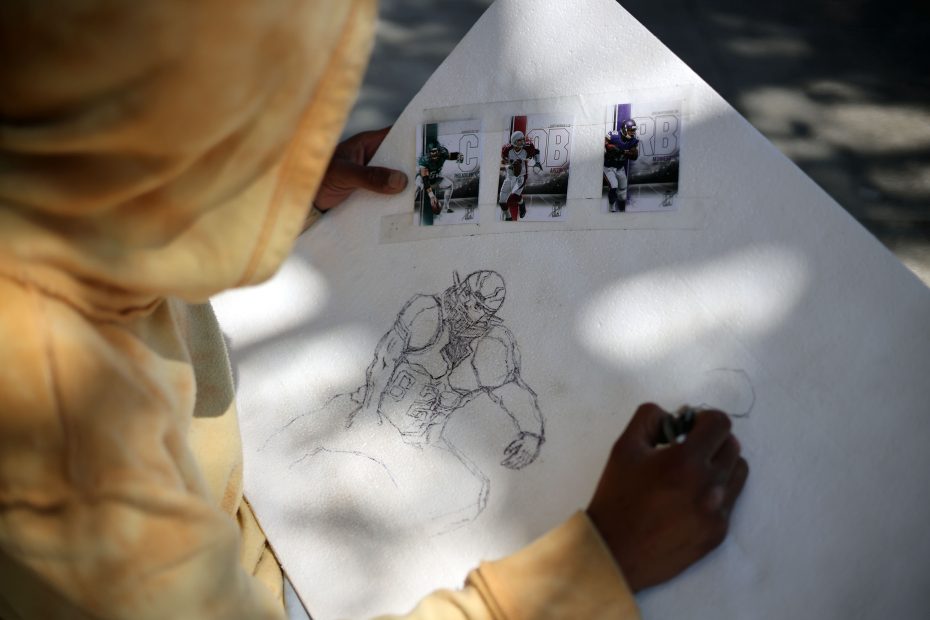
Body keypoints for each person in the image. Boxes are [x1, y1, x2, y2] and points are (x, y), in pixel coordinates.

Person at [0, 1, 748, 618]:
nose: (297, 136)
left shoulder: (60, 198)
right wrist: (596, 565)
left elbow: (513, 394)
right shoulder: (67, 459)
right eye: (258, 115)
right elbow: (392, 359)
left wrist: (254, 199)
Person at [499, 130, 543, 221]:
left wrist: (537, 162)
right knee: (502, 201)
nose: (522, 142)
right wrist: (510, 163)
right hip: (510, 176)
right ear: (514, 141)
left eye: (523, 139)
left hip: (521, 175)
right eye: (520, 140)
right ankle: (508, 217)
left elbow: (537, 151)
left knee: (512, 198)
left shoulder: (527, 148)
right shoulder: (507, 150)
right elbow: (503, 161)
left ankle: (522, 204)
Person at [416, 141, 464, 216]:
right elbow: (425, 180)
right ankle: (408, 205)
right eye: (432, 152)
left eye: (436, 151)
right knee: (417, 185)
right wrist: (431, 196)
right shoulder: (424, 160)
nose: (435, 154)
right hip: (424, 181)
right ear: (429, 153)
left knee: (449, 184)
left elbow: (452, 156)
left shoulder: (443, 154)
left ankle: (445, 208)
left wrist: (459, 155)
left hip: (435, 179)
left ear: (439, 150)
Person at [604, 119, 640, 212]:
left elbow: (634, 155)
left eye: (633, 131)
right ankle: (612, 204)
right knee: (614, 186)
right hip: (609, 167)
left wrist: (622, 151)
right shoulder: (614, 135)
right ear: (624, 129)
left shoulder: (633, 141)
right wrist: (609, 147)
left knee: (623, 192)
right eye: (630, 130)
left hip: (620, 168)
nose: (632, 133)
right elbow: (605, 143)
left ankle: (621, 206)